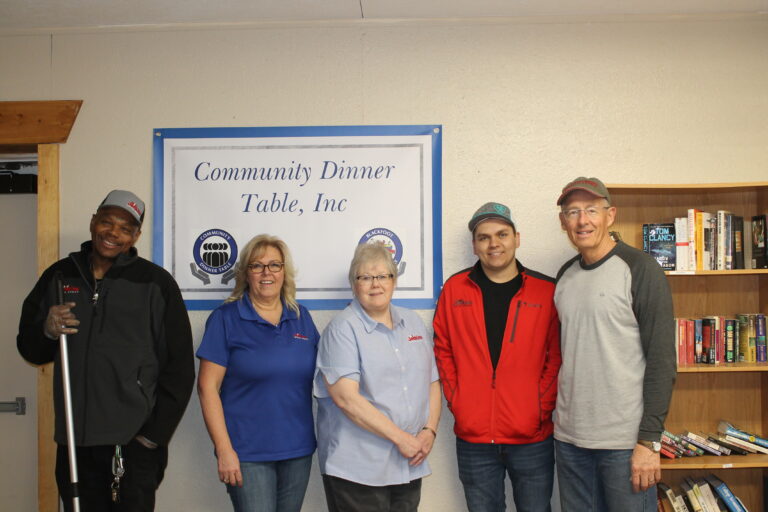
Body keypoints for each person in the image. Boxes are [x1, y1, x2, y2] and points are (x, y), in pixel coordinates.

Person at [17, 190, 195, 511]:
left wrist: (152, 438)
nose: (113, 233)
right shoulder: (59, 276)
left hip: (132, 443)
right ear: (93, 222)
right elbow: (31, 349)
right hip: (74, 443)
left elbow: (180, 368)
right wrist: (46, 329)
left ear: (136, 235)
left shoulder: (155, 284)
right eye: (107, 222)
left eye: (125, 228)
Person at [553, 177, 676, 511]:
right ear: (563, 222)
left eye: (591, 210)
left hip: (624, 444)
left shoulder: (641, 269)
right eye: (573, 212)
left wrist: (648, 442)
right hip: (570, 440)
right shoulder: (564, 276)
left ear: (610, 215)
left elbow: (662, 361)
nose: (582, 220)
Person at [433, 202, 561, 512]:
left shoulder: (546, 290)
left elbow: (557, 356)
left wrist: (539, 407)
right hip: (474, 437)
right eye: (484, 237)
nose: (494, 244)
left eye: (502, 234)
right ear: (474, 245)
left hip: (531, 436)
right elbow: (442, 348)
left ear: (517, 238)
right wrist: (459, 401)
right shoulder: (454, 289)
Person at [314, 242, 441, 512]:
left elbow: (431, 382)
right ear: (354, 284)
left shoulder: (413, 322)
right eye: (365, 277)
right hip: (358, 470)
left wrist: (429, 430)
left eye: (383, 276)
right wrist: (402, 439)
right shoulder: (342, 330)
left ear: (394, 281)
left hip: (409, 461)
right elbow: (347, 399)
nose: (375, 284)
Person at [196, 235, 319, 512]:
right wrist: (224, 450)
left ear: (284, 272)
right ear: (245, 273)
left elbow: (325, 375)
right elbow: (207, 389)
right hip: (246, 453)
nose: (267, 273)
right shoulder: (226, 319)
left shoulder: (301, 317)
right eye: (257, 265)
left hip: (297, 450)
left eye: (275, 265)